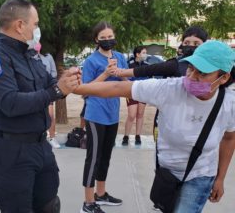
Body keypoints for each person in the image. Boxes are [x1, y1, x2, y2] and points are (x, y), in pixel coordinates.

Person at [72, 40, 235, 212]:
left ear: (223, 77)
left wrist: (220, 178)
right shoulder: (170, 89)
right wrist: (75, 89)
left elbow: (230, 138)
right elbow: (118, 87)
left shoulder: (229, 104)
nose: (192, 76)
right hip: (166, 174)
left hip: (200, 175)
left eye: (202, 73)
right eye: (190, 68)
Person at [0, 0, 79, 212]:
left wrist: (67, 81)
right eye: (35, 24)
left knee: (49, 205)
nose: (37, 29)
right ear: (20, 25)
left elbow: (50, 85)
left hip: (41, 147)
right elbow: (9, 102)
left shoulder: (29, 55)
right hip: (13, 153)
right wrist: (56, 90)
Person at [115, 26, 209, 133]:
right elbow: (147, 70)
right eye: (186, 43)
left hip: (198, 119)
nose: (191, 46)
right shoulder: (175, 64)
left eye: (196, 44)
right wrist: (120, 72)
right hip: (170, 120)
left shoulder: (213, 69)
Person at [80, 21, 127, 213]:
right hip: (95, 115)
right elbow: (84, 91)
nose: (108, 41)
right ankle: (88, 202)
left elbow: (128, 83)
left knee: (106, 156)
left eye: (110, 37)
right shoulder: (91, 61)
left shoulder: (120, 57)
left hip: (112, 115)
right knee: (93, 158)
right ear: (96, 40)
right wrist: (106, 74)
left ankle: (101, 193)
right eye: (103, 38)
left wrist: (120, 73)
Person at [34, 42, 61, 148]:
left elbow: (54, 73)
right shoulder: (28, 58)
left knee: (50, 114)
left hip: (47, 90)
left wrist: (49, 81)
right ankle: (39, 137)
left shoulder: (47, 57)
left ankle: (52, 137)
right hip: (34, 91)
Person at [122, 46, 148, 146]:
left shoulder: (147, 66)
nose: (146, 55)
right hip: (131, 92)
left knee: (140, 114)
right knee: (132, 115)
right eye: (144, 52)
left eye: (146, 53)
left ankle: (138, 136)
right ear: (137, 54)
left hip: (143, 93)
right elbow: (125, 79)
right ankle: (126, 136)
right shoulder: (129, 65)